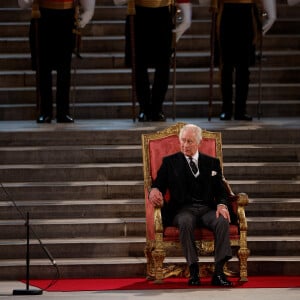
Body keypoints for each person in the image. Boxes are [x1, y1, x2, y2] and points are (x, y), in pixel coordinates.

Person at [148, 123, 233, 286]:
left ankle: (219, 272)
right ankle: (193, 271)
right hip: (182, 210)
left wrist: (222, 204)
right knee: (185, 222)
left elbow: (221, 190)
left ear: (199, 143)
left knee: (222, 221)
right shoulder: (170, 163)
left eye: (189, 141)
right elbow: (158, 183)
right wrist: (154, 190)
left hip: (207, 209)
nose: (185, 145)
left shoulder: (212, 163)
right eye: (183, 141)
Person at [18, 0, 95, 123]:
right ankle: (45, 111)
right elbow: (23, 4)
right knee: (43, 69)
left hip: (66, 16)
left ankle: (63, 111)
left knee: (64, 69)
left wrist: (85, 16)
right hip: (43, 16)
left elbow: (88, 5)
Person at [119, 0, 192, 121]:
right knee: (139, 65)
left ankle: (157, 108)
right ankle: (144, 108)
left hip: (163, 12)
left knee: (163, 64)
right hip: (138, 12)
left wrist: (186, 16)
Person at [212, 0, 276, 121]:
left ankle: (241, 110)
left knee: (243, 68)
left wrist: (270, 12)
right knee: (226, 66)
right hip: (226, 11)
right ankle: (226, 109)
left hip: (246, 12)